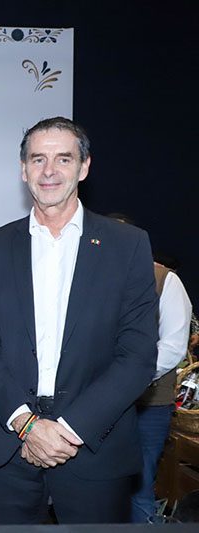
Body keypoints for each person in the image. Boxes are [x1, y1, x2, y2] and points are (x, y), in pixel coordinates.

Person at [0, 116, 158, 524]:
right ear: (23, 170)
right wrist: (27, 425)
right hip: (10, 444)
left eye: (63, 159)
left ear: (84, 167)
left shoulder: (127, 245)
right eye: (38, 159)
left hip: (94, 445)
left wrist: (67, 430)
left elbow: (137, 356)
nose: (49, 171)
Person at [107, 214, 192, 522]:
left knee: (139, 487)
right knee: (95, 488)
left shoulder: (164, 280)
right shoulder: (89, 281)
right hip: (97, 405)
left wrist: (125, 378)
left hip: (147, 405)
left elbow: (173, 346)